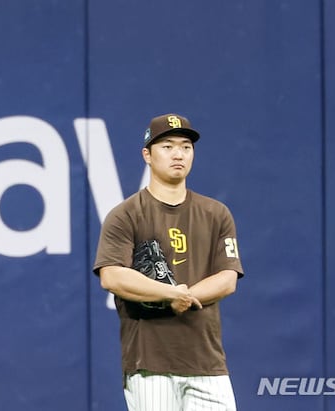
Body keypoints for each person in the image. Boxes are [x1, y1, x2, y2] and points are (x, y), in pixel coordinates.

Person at [93, 113, 244, 411]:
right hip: (150, 363)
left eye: (186, 147)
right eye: (167, 146)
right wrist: (169, 293)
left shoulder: (216, 213)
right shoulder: (125, 215)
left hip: (207, 362)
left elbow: (227, 279)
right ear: (147, 155)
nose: (178, 154)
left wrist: (183, 296)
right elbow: (112, 276)